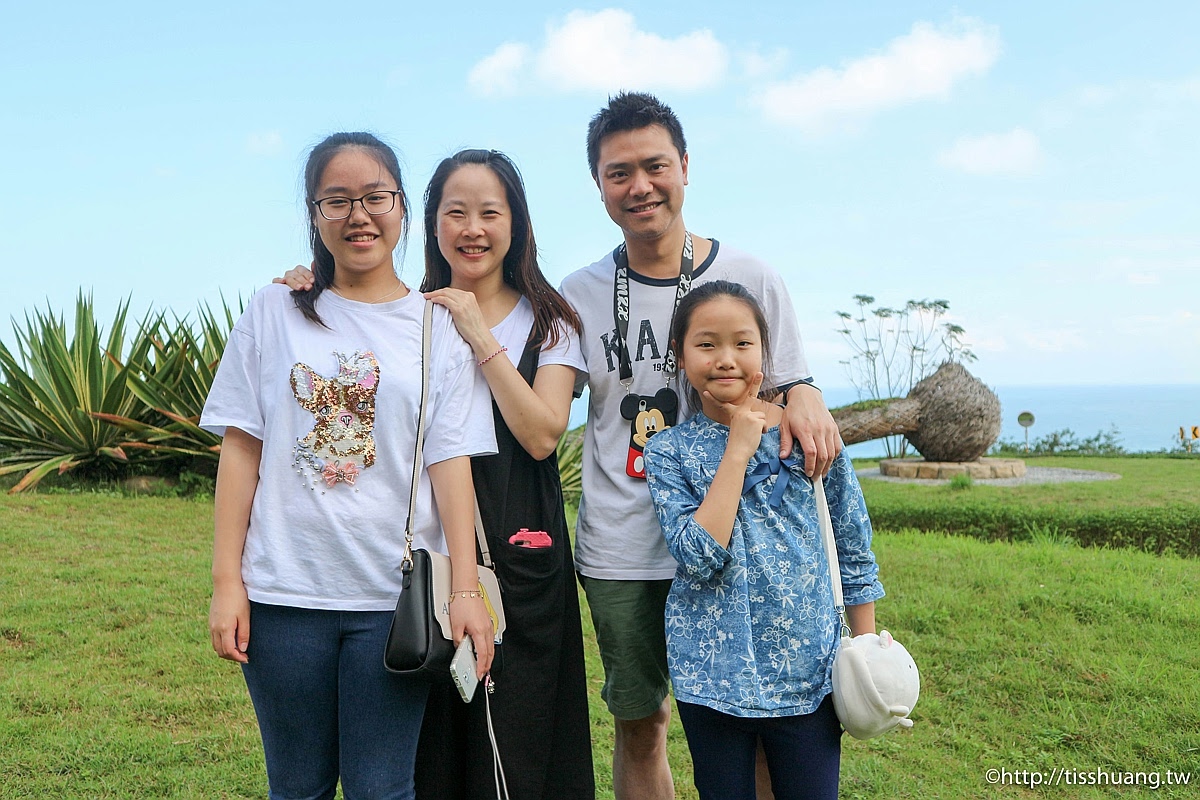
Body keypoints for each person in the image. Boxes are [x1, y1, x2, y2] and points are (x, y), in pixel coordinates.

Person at [275, 149, 595, 799]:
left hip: (521, 543)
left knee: (521, 726)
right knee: (430, 733)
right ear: (429, 223)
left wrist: (480, 335)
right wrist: (310, 292)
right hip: (423, 546)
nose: (472, 228)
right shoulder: (404, 313)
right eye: (455, 212)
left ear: (518, 223)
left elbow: (540, 434)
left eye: (489, 212)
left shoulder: (551, 320)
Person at [559, 92, 843, 798]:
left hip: (737, 547)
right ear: (598, 186)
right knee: (641, 723)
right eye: (618, 173)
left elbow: (790, 387)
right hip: (624, 551)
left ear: (684, 167)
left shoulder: (752, 276)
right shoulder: (580, 293)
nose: (640, 186)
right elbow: (532, 398)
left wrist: (804, 390)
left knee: (757, 722)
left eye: (655, 165)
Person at [203, 132, 497, 800]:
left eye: (374, 198)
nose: (358, 215)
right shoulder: (274, 309)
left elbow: (451, 464)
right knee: (297, 787)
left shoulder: (436, 327)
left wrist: (465, 590)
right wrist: (227, 581)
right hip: (283, 596)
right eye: (337, 201)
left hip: (392, 603)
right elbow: (241, 449)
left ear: (400, 208)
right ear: (314, 214)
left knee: (382, 787)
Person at [642, 280, 884, 800]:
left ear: (765, 355)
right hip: (711, 678)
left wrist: (865, 650)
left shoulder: (812, 436)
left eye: (742, 343)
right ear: (680, 358)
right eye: (706, 345)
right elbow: (697, 555)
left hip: (809, 674)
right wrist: (737, 449)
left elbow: (852, 543)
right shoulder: (667, 451)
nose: (725, 359)